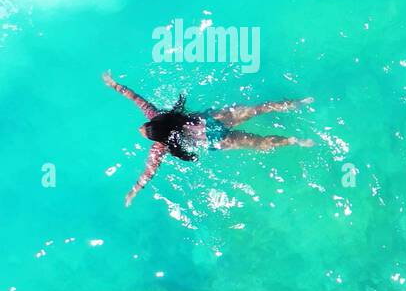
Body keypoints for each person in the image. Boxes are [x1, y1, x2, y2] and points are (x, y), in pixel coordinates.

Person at [103, 71, 314, 206]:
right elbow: (137, 99)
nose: (141, 128)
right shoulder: (160, 116)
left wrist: (134, 191)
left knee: (259, 144)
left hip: (217, 140)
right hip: (213, 121)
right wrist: (114, 84)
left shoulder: (161, 146)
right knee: (257, 110)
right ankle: (297, 103)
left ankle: (294, 141)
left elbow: (149, 172)